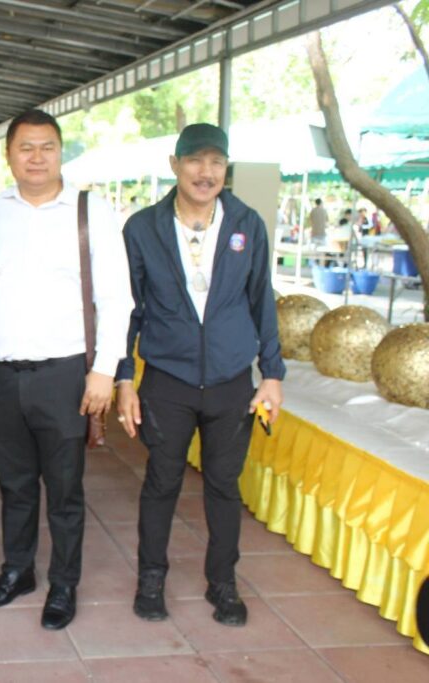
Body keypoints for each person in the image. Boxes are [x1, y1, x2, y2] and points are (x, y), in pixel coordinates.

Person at [115, 123, 285, 628]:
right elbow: (127, 309)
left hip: (232, 381)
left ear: (226, 168)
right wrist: (125, 377)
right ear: (175, 165)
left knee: (224, 486)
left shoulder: (247, 224)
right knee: (161, 483)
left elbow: (262, 299)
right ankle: (151, 578)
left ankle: (223, 582)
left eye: (216, 162)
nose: (205, 172)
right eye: (194, 160)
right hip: (167, 379)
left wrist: (272, 374)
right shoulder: (142, 228)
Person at [0, 110, 134, 630]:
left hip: (66, 374)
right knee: (15, 484)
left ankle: (64, 583)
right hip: (2, 374)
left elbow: (116, 298)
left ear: (61, 152)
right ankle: (18, 570)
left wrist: (104, 371)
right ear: (9, 155)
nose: (37, 157)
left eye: (47, 147)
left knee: (65, 489)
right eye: (26, 147)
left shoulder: (92, 211)